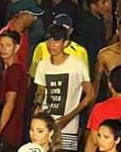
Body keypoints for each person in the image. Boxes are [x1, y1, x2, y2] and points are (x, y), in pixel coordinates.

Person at [34, 23, 95, 151]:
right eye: (49, 40)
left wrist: (69, 117)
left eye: (56, 41)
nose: (52, 44)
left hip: (68, 127)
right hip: (46, 125)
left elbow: (90, 94)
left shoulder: (77, 65)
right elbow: (41, 91)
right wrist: (38, 108)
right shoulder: (43, 65)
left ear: (66, 43)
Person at [0, 30, 29, 152]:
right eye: (1, 45)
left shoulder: (15, 70)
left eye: (8, 45)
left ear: (17, 47)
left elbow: (10, 103)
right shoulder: (8, 69)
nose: (3, 49)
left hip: (10, 130)